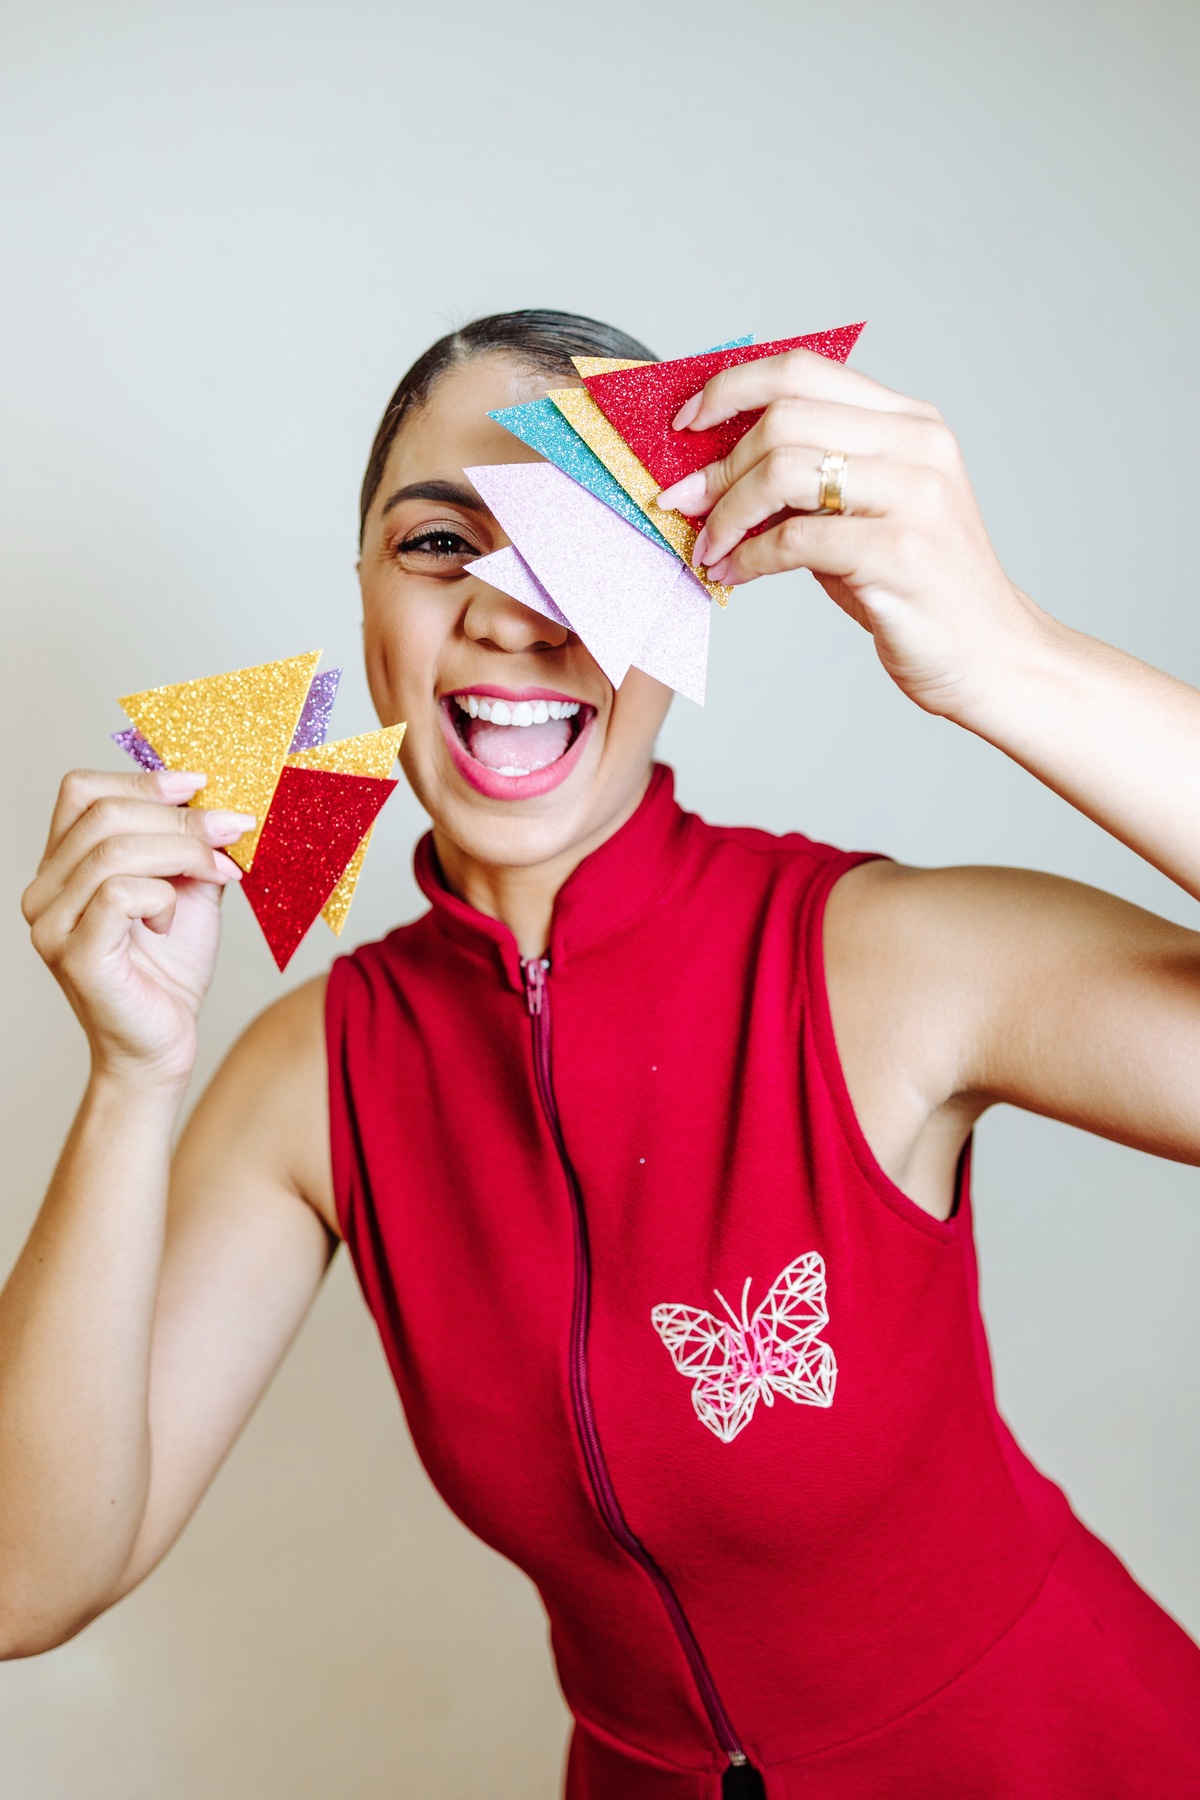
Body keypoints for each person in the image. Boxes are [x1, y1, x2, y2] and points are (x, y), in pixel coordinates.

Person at [7, 308, 1200, 1796]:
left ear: (691, 591)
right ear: (366, 595)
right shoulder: (314, 1079)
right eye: (442, 543)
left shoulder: (884, 958)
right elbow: (24, 1583)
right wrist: (130, 1074)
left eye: (589, 548)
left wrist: (1002, 658)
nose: (514, 613)